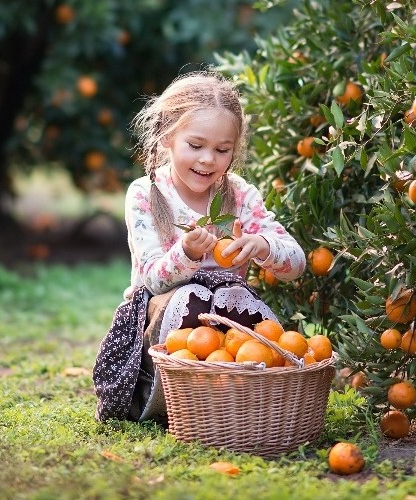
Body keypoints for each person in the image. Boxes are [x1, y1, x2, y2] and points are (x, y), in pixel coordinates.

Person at [92, 70, 306, 424]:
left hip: (224, 324)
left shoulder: (239, 197)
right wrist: (187, 253)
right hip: (160, 320)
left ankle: (238, 399)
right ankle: (165, 400)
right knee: (188, 295)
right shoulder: (146, 194)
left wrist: (263, 245)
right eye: (196, 146)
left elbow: (296, 263)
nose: (208, 159)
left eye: (222, 150)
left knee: (241, 304)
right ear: (166, 137)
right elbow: (152, 279)